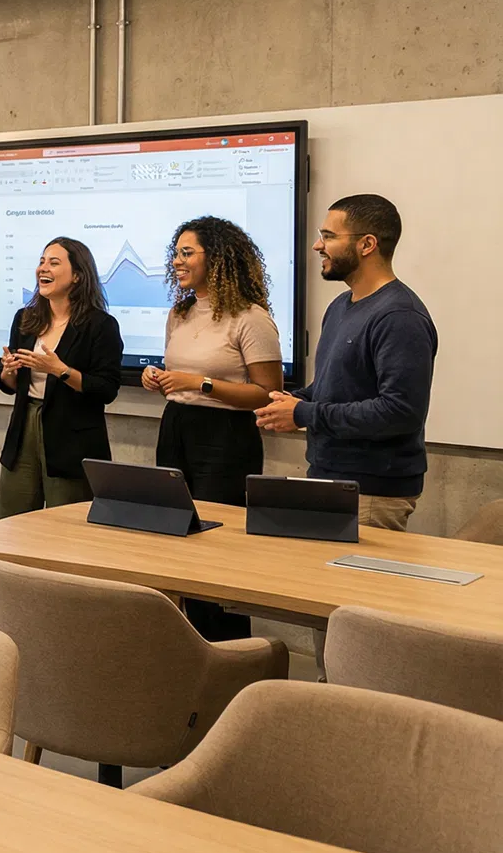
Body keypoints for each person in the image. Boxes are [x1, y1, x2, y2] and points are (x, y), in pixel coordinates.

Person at [256, 194, 436, 530]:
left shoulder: (399, 316)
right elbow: (336, 387)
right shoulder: (341, 305)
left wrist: (304, 413)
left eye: (329, 236)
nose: (317, 246)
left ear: (367, 244)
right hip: (328, 476)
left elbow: (400, 412)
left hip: (370, 490)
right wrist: (295, 400)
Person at [140, 216, 283, 640]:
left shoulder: (251, 318)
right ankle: (187, 648)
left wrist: (199, 383)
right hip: (176, 426)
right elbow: (179, 376)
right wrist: (157, 378)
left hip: (226, 437)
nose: (176, 261)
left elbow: (268, 394)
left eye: (187, 253)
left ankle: (227, 650)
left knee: (215, 551)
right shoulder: (180, 313)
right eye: (176, 253)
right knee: (174, 536)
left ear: (218, 258)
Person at [0, 237, 124, 518]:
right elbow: (11, 385)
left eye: (54, 263)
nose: (43, 268)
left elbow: (106, 389)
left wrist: (60, 370)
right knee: (10, 522)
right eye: (41, 261)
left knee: (65, 526)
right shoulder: (25, 318)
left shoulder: (100, 325)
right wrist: (9, 371)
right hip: (23, 430)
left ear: (77, 275)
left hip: (71, 440)